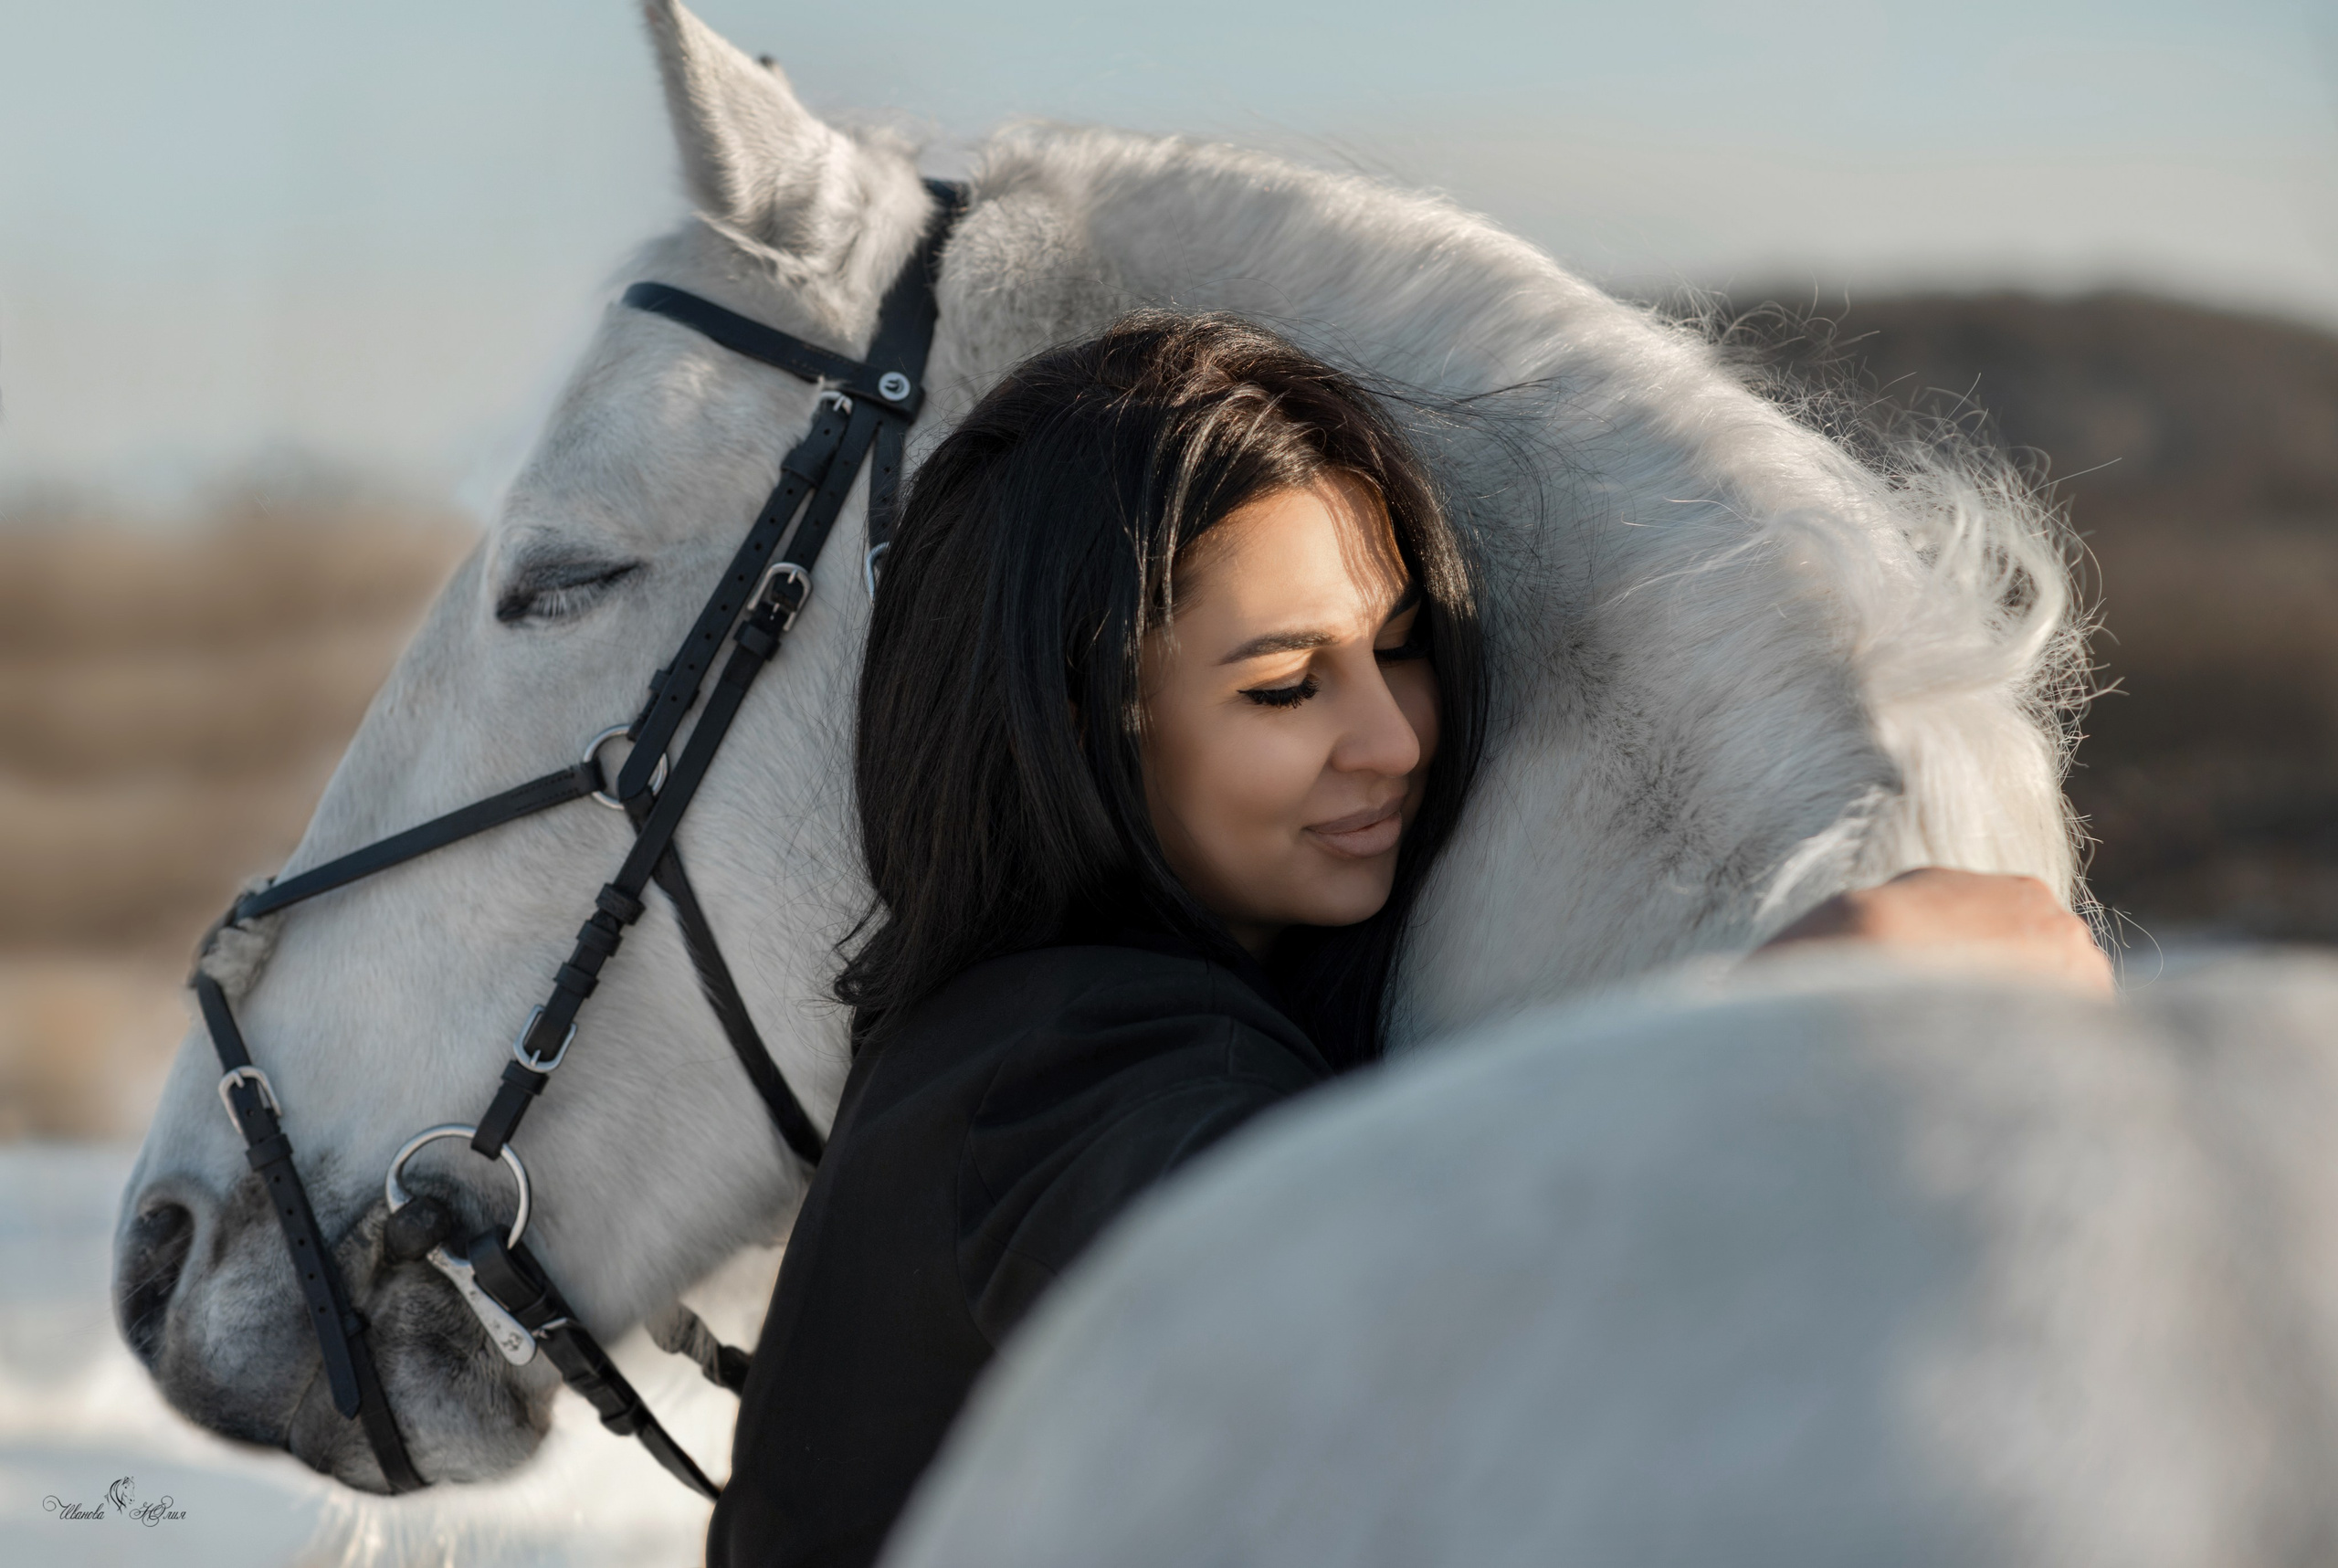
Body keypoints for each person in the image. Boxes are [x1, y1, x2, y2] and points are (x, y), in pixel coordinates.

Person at [705, 311, 2110, 1568]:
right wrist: (1789, 1013)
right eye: (1284, 688)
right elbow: (1358, 1310)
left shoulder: (1020, 1044)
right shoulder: (1059, 1066)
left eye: (1397, 647)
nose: (1390, 740)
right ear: (1085, 724)